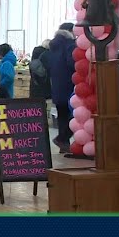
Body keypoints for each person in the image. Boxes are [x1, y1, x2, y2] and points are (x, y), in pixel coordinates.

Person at [47, 22, 77, 153]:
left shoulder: (53, 45)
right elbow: (72, 63)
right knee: (76, 114)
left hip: (57, 85)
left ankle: (63, 144)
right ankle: (62, 138)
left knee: (62, 115)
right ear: (70, 31)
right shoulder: (69, 45)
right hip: (69, 84)